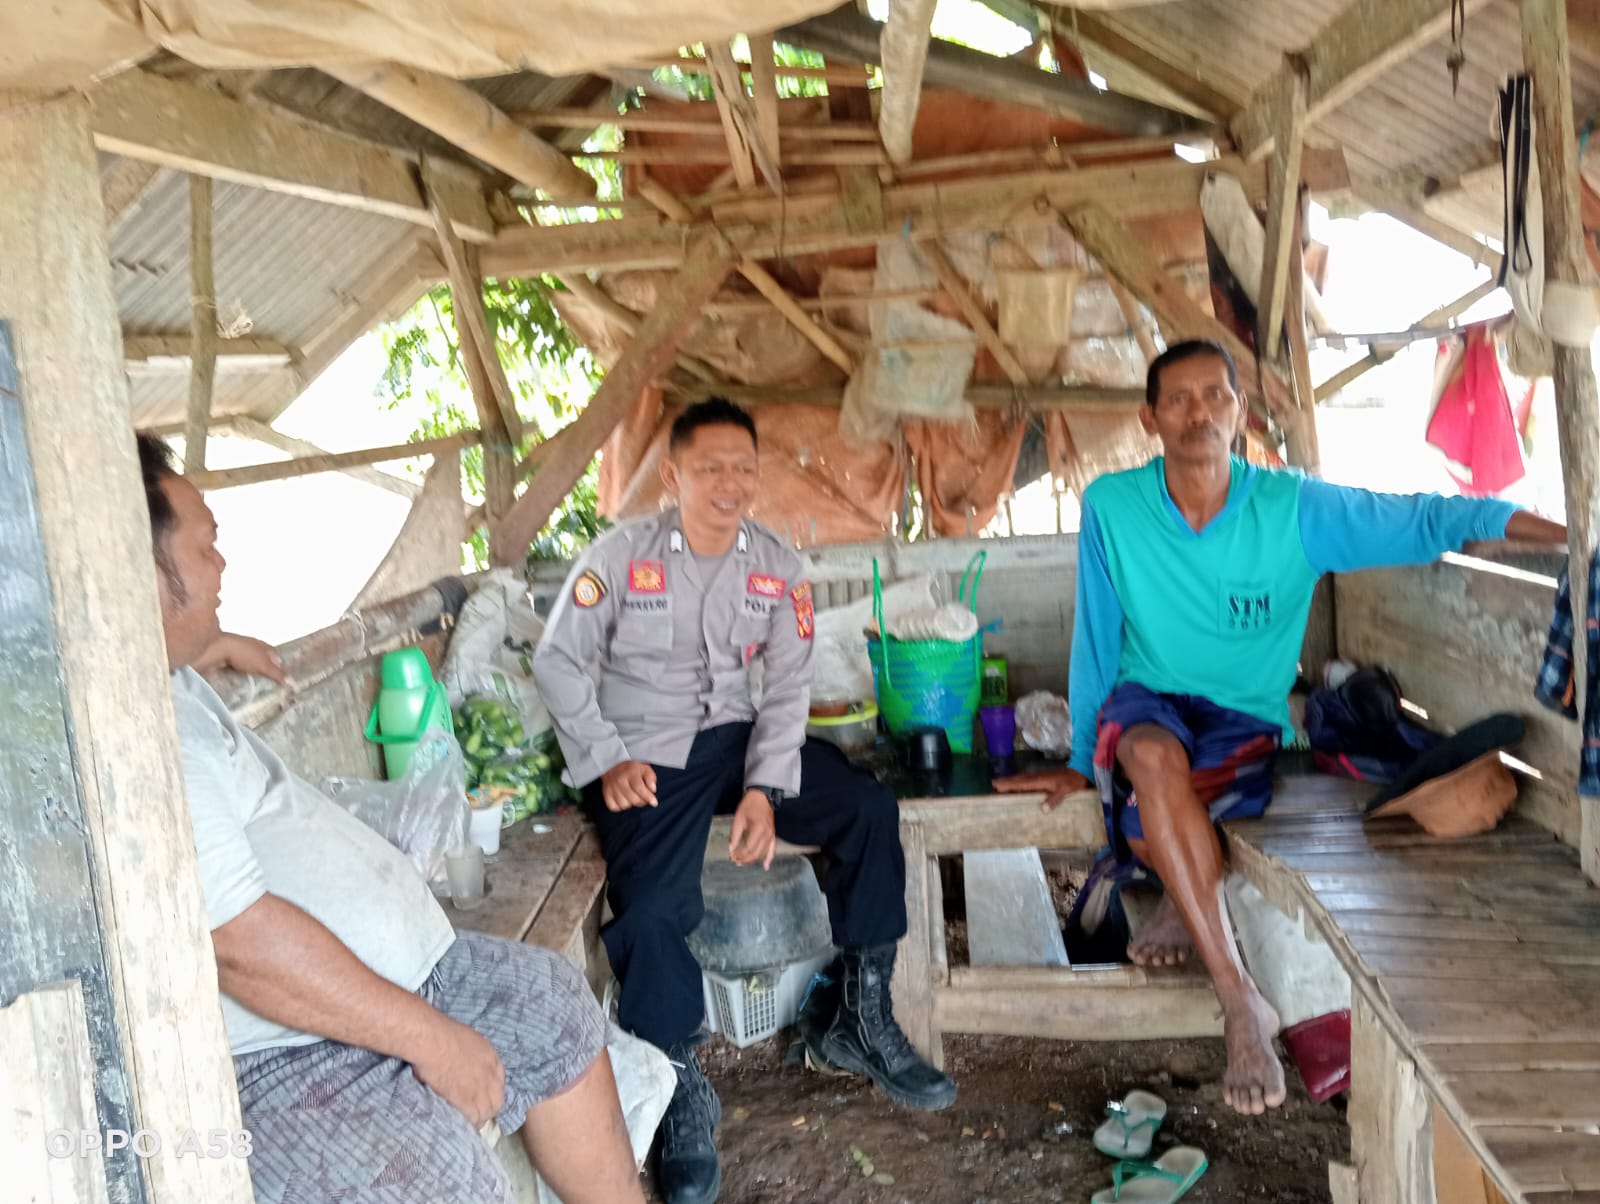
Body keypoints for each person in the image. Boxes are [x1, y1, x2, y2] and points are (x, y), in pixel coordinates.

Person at [997, 340, 1565, 1116]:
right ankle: (1241, 1003)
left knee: (1149, 817)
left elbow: (1431, 518)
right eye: (1179, 399)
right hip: (1145, 698)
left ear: (1240, 411)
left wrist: (1569, 537)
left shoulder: (1295, 508)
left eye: (1216, 396)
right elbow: (1096, 635)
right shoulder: (1113, 506)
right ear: (1150, 418)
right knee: (1148, 758)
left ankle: (1180, 894)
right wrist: (1076, 755)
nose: (1199, 412)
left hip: (1242, 718)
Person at [136, 434, 644, 1204]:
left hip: (396, 979)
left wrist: (211, 644)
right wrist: (432, 1039)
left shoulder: (163, 673)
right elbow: (238, 944)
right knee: (437, 1182)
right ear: (141, 573)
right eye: (205, 546)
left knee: (551, 1008)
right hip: (286, 1048)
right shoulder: (144, 736)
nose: (222, 564)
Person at [533, 397, 956, 1204]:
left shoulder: (776, 566)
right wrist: (606, 758)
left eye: (743, 468)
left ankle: (859, 1016)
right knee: (650, 904)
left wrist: (765, 787)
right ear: (673, 475)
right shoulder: (618, 556)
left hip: (739, 738)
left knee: (866, 808)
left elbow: (788, 685)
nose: (730, 483)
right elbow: (556, 662)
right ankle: (676, 1083)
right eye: (711, 468)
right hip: (645, 751)